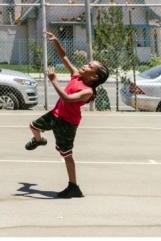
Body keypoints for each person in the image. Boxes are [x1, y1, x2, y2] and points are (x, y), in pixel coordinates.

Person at [25, 29, 109, 198]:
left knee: (67, 155)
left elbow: (67, 98)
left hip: (68, 123)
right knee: (33, 126)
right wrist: (55, 40)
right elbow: (64, 57)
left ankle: (73, 187)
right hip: (56, 114)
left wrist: (54, 81)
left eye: (89, 66)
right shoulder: (77, 75)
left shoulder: (87, 91)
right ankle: (39, 140)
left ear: (94, 76)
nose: (85, 64)